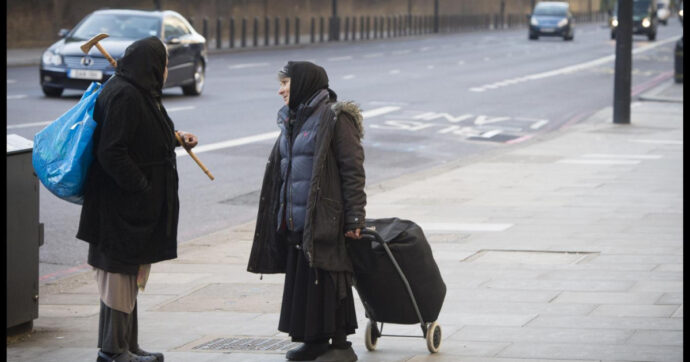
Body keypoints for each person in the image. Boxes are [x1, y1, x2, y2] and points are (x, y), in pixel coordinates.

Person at [76, 36, 198, 362]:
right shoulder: (125, 95)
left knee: (128, 277)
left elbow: (142, 135)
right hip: (119, 208)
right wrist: (141, 187)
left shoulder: (138, 91)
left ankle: (128, 345)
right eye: (165, 64)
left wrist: (175, 139)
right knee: (118, 277)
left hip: (128, 208)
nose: (167, 71)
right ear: (151, 65)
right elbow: (112, 151)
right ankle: (114, 351)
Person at [247, 61, 366, 362]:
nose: (281, 90)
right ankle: (314, 341)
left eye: (286, 83)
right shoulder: (294, 118)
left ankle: (340, 345)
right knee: (306, 282)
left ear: (302, 83)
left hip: (327, 218)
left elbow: (353, 170)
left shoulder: (336, 118)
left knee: (329, 279)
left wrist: (354, 217)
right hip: (299, 220)